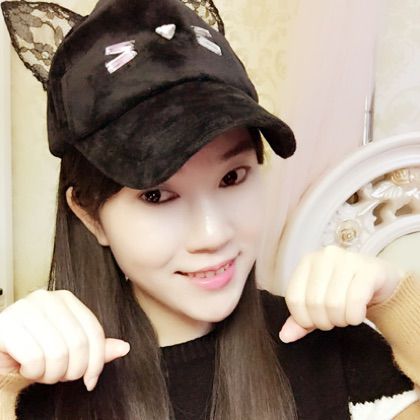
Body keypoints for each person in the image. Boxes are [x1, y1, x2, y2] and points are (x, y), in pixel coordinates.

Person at [1, 0, 420, 419]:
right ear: (91, 216)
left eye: (232, 177)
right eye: (156, 195)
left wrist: (396, 299)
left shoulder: (329, 352)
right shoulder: (37, 393)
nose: (212, 233)